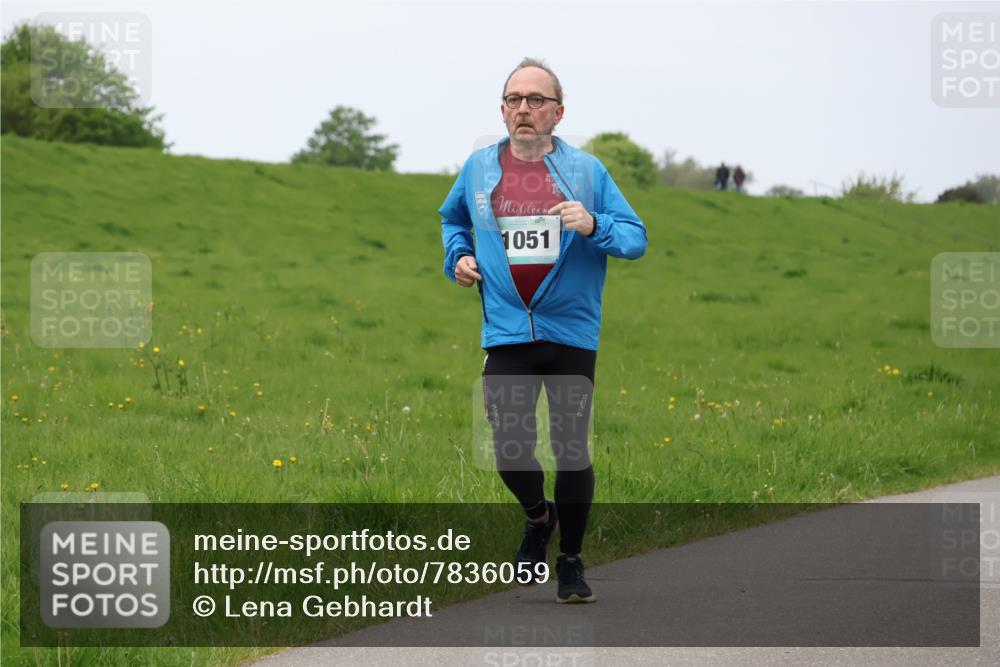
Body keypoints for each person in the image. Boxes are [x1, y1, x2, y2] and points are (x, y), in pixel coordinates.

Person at [439, 58, 647, 603]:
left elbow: (635, 238)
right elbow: (452, 220)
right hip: (506, 332)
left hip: (570, 335)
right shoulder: (480, 169)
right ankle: (538, 517)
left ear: (558, 112)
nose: (524, 109)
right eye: (514, 99)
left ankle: (572, 563)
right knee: (510, 446)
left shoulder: (587, 173)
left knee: (570, 449)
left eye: (536, 100)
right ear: (502, 110)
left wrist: (594, 224)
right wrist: (458, 258)